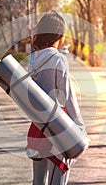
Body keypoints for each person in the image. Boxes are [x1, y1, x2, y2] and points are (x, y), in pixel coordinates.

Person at [26, 11, 87, 185]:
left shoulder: (32, 59)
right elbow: (68, 97)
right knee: (57, 181)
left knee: (38, 181)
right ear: (59, 35)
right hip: (58, 127)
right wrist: (80, 127)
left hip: (37, 127)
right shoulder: (59, 59)